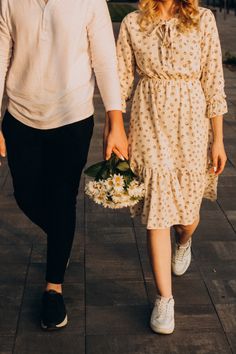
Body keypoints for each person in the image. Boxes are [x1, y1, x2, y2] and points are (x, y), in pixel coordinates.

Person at [0, 0, 128, 330]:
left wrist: (116, 122)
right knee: (25, 195)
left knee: (62, 199)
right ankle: (62, 237)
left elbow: (105, 61)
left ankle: (53, 288)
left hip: (72, 117)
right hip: (20, 116)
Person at [116, 0, 227, 334]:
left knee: (187, 215)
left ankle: (184, 240)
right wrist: (116, 129)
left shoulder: (203, 20)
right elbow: (120, 81)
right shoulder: (133, 23)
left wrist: (218, 139)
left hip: (191, 124)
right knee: (157, 210)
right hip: (148, 121)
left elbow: (214, 81)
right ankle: (165, 299)